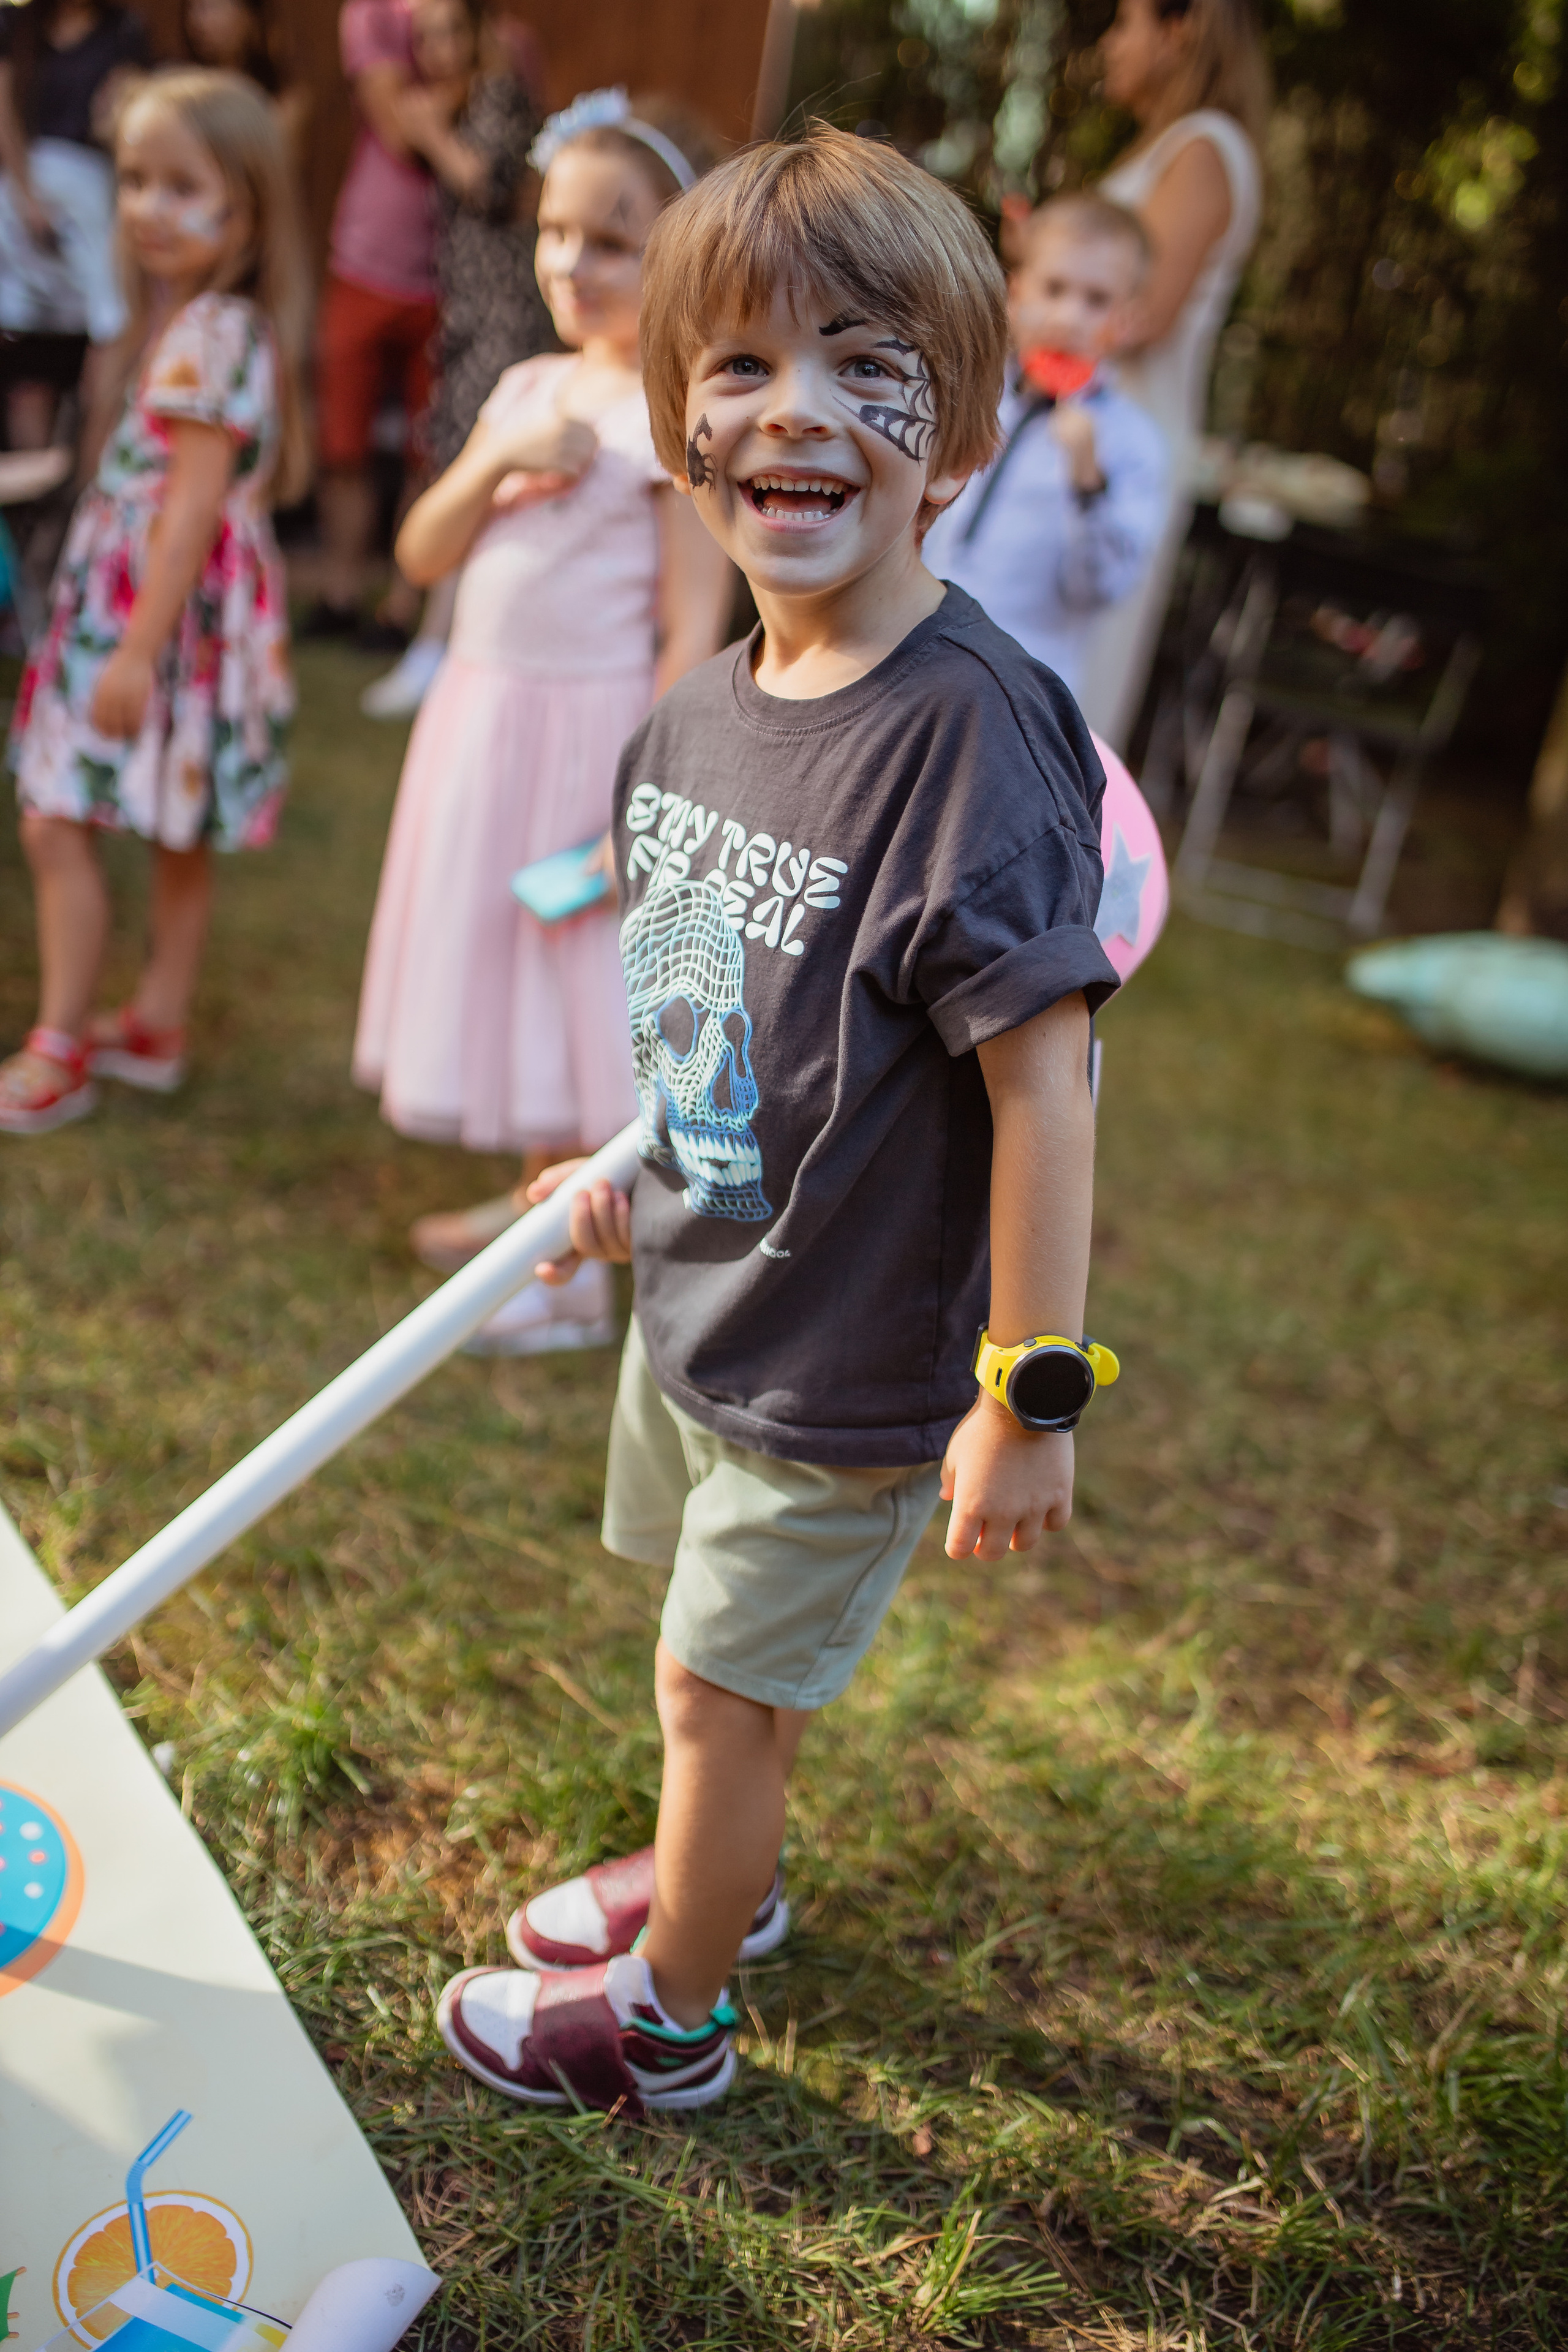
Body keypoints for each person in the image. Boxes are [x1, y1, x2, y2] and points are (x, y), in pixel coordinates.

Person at [431, 124, 1121, 2114]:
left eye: (862, 360)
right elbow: (710, 1013)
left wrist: (1033, 1387)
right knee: (715, 1676)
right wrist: (628, 1170)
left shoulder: (971, 740)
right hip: (709, 1305)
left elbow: (1046, 1074)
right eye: (738, 365)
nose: (795, 409)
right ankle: (727, 1879)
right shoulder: (706, 708)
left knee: (712, 1690)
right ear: (677, 422)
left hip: (846, 1365)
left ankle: (667, 2020)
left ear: (960, 428)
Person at [351, 89, 733, 1350]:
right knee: (505, 959)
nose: (575, 261)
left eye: (614, 240)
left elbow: (693, 620)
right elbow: (419, 554)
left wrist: (657, 784)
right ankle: (529, 1207)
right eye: (557, 232)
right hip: (483, 714)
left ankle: (569, 1269)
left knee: (580, 985)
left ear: (674, 255)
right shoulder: (523, 388)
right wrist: (497, 458)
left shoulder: (673, 422)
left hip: (592, 733)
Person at [0, 69, 307, 1136]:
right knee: (178, 827)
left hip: (155, 619)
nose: (147, 207)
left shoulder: (208, 335)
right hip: (182, 622)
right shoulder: (200, 322)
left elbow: (189, 514)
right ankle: (157, 1024)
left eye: (184, 186)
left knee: (52, 815)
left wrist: (132, 651)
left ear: (248, 207)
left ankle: (62, 1042)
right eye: (135, 180)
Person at [1074, 0, 1267, 748]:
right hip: (1081, 427)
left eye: (1125, 23)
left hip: (1122, 445)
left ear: (1179, 29)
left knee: (1075, 671)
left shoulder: (1205, 147)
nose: (1109, 44)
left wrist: (1032, 292)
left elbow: (1141, 313)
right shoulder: (1166, 148)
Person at [358, 0, 552, 720]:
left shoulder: (500, 95)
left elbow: (484, 182)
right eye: (425, 39)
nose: (438, 50)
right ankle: (440, 644)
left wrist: (434, 131)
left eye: (450, 33)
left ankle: (434, 649)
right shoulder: (465, 98)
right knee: (455, 463)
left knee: (469, 471)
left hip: (505, 313)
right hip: (467, 313)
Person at [924, 192, 1167, 703]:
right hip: (914, 652)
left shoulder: (1132, 444)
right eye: (1054, 289)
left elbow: (1101, 588)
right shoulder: (971, 394)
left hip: (1025, 687)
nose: (1068, 317)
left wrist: (1088, 483)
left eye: (1096, 300)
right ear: (1017, 296)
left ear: (1125, 321)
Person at [306, 0, 437, 648]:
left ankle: (401, 607)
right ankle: (340, 593)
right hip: (363, 263)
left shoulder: (509, 39)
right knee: (343, 444)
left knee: (427, 449)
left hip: (446, 279)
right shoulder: (372, 13)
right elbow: (398, 129)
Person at [0, 0, 149, 454]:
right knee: (25, 345)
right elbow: (3, 111)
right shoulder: (18, 26)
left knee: (111, 327)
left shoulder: (123, 32)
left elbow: (126, 117)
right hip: (21, 196)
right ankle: (32, 489)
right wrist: (27, 195)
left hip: (93, 196)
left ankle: (84, 481)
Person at [180, 0, 311, 164]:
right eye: (194, 8)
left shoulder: (286, 101)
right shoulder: (183, 90)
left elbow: (272, 172)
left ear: (250, 16)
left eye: (214, 6)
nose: (199, 21)